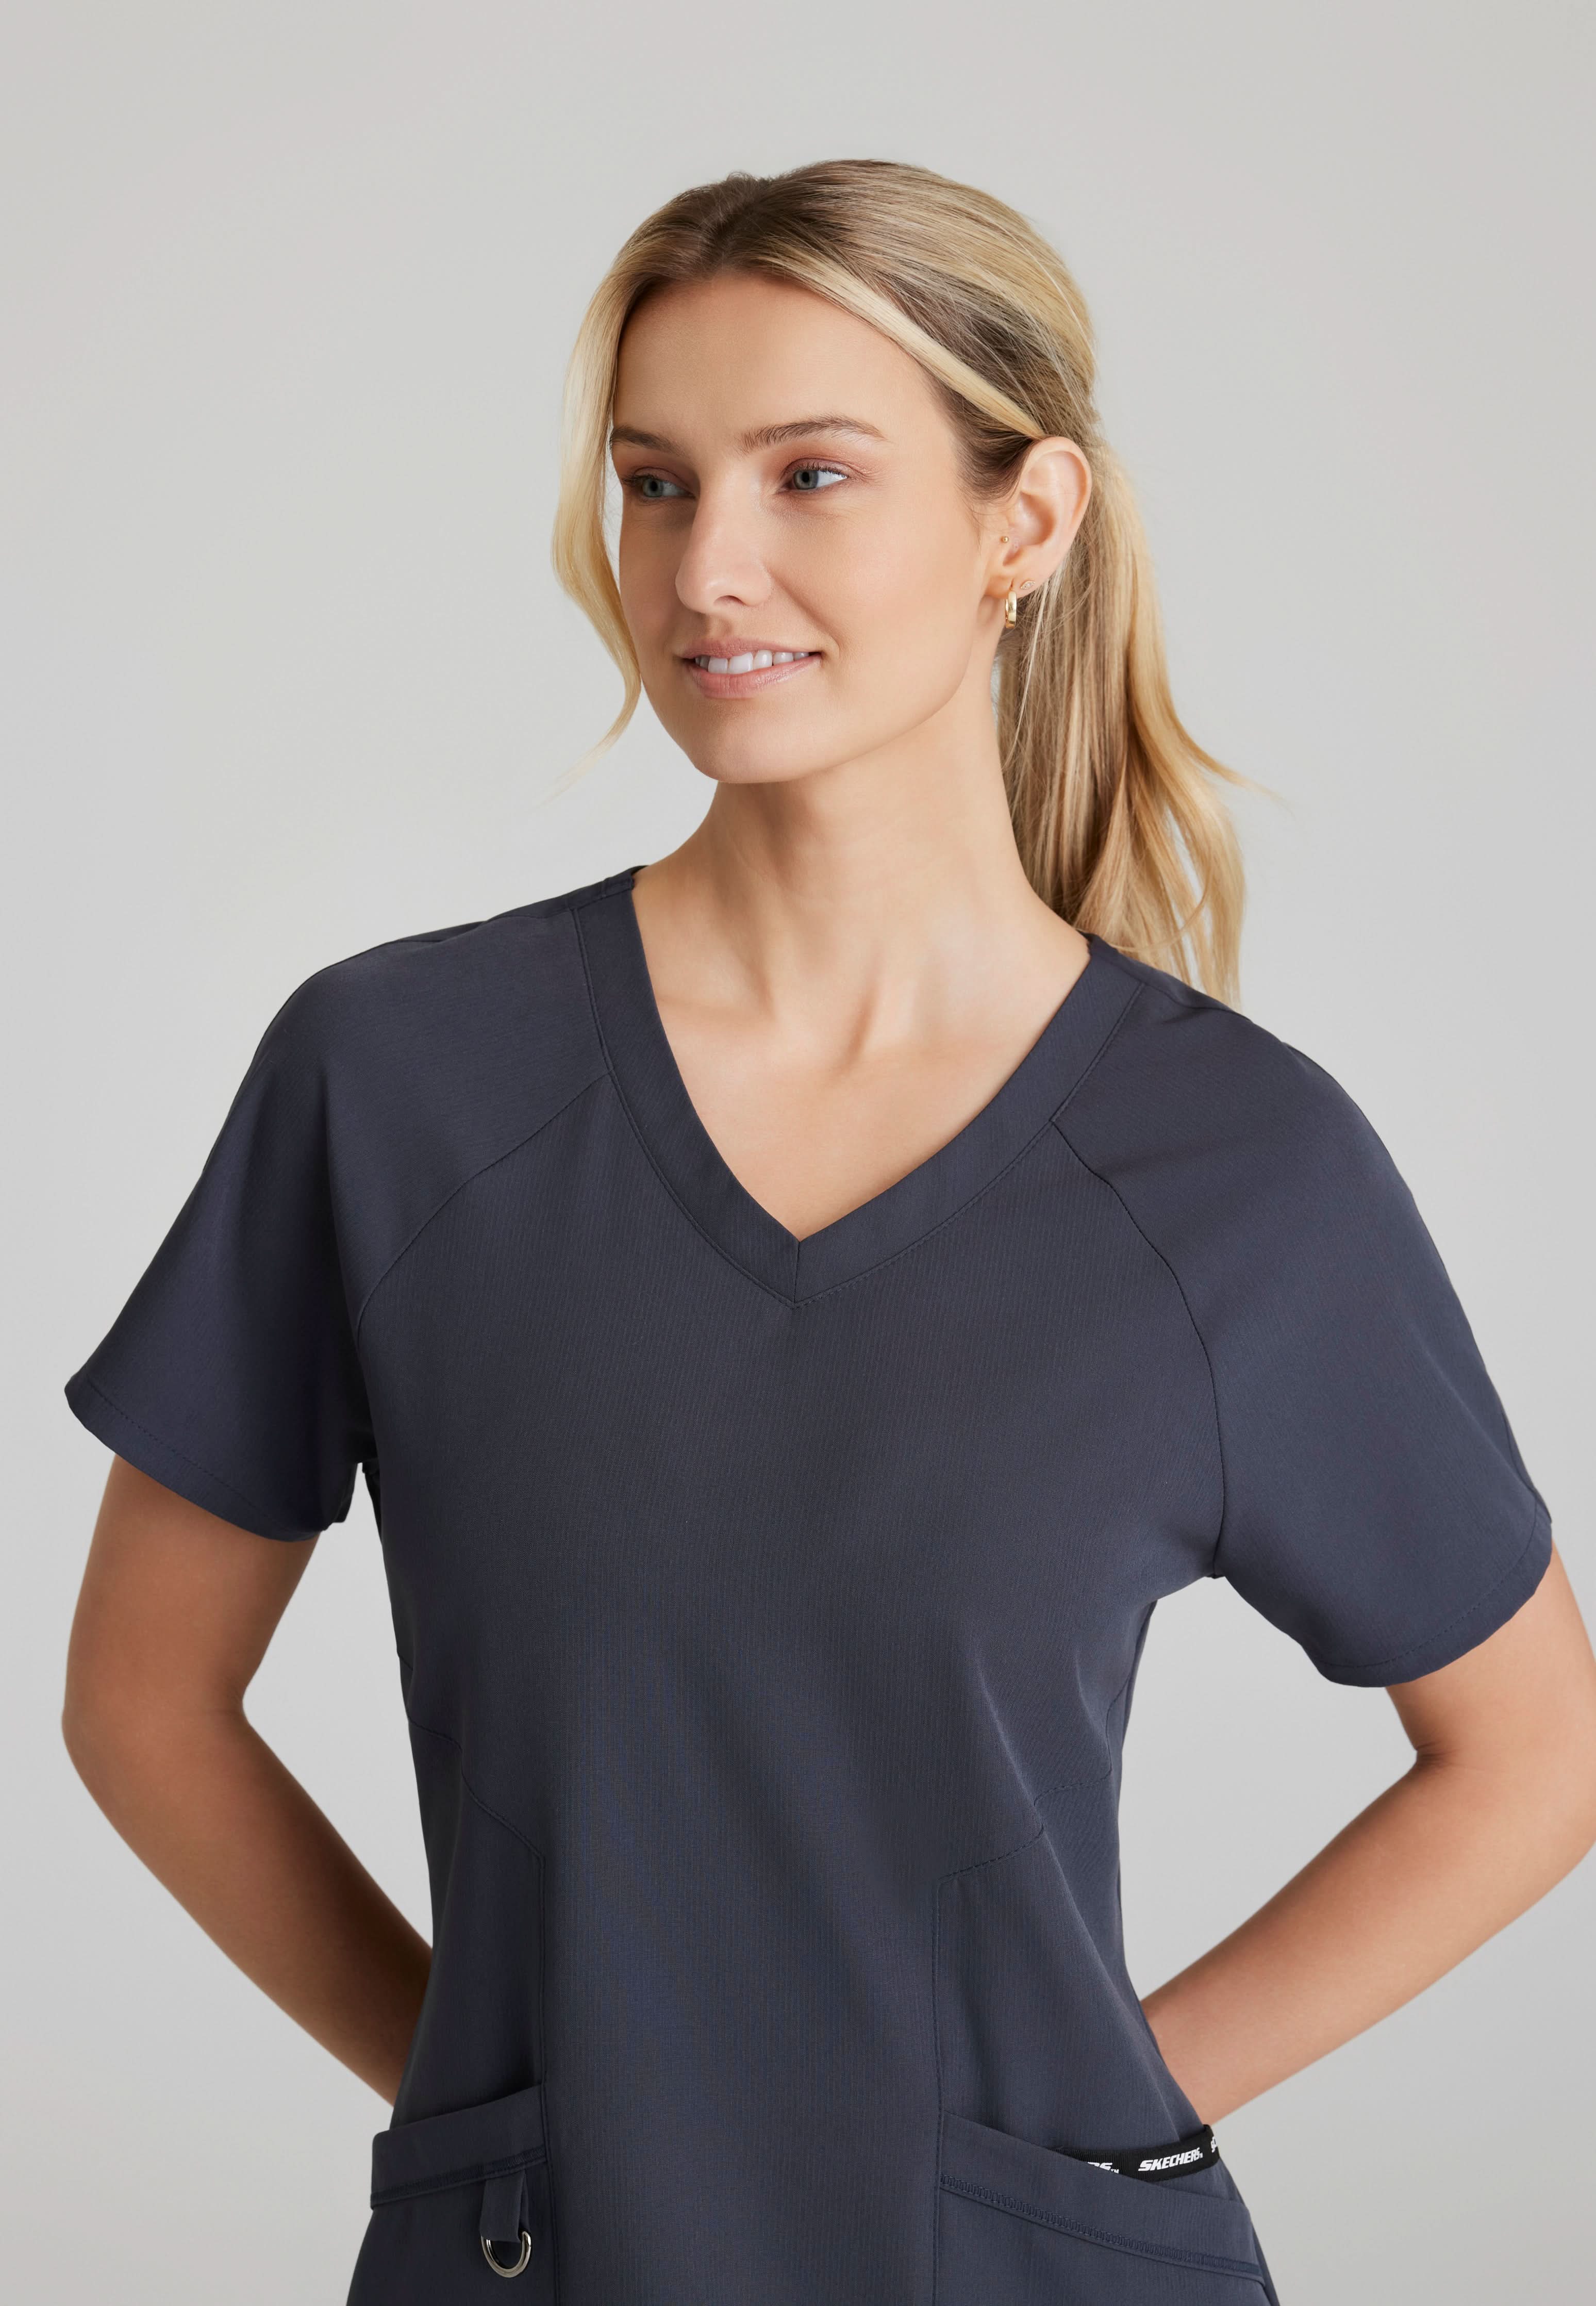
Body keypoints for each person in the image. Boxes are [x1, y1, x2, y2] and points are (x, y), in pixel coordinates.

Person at [61, 158, 1596, 2306]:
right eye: (656, 483)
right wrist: (499, 2099)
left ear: (1024, 522)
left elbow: (1535, 1754)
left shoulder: (1237, 1170)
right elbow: (142, 1699)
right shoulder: (403, 1082)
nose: (711, 566)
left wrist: (1102, 2114)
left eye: (811, 474)